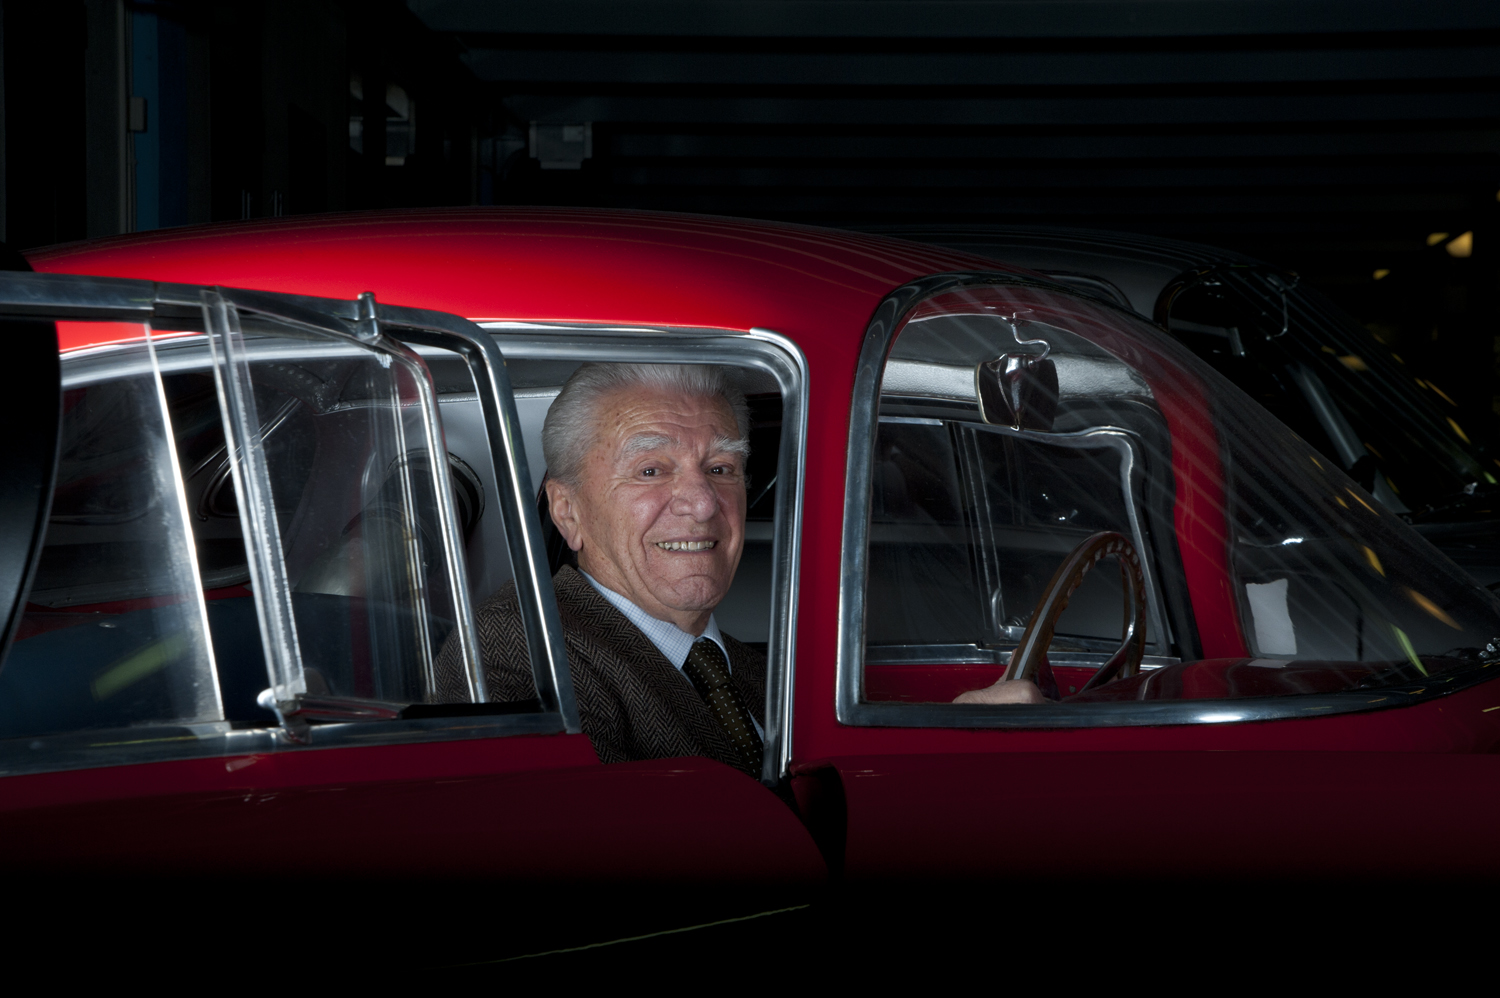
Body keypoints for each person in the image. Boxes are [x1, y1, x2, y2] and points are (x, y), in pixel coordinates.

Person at [439, 362, 1039, 777]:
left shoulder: (746, 671)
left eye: (722, 469)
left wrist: (954, 731)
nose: (702, 503)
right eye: (651, 471)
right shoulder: (515, 658)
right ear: (567, 511)